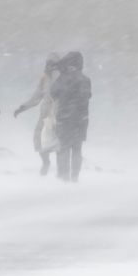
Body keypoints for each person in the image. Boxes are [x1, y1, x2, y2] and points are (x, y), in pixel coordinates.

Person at [14, 53, 61, 176]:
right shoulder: (44, 78)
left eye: (52, 64)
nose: (50, 67)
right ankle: (46, 163)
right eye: (48, 64)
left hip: (58, 114)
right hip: (45, 114)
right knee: (40, 138)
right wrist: (23, 107)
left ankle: (61, 167)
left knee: (57, 140)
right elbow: (37, 96)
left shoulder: (63, 77)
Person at [50, 51, 91, 182]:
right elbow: (87, 97)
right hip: (81, 119)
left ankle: (64, 176)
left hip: (64, 118)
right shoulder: (85, 80)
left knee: (63, 148)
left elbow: (53, 93)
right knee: (77, 148)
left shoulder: (63, 78)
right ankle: (75, 176)